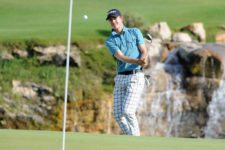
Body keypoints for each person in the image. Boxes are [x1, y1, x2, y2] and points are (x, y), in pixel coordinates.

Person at [105, 8, 148, 136]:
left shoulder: (135, 32)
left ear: (121, 18)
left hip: (135, 77)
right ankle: (133, 138)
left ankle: (135, 141)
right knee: (118, 115)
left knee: (128, 111)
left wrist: (144, 58)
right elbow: (121, 57)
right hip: (120, 78)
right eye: (111, 19)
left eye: (115, 18)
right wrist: (137, 61)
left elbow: (144, 50)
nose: (113, 21)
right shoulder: (110, 41)